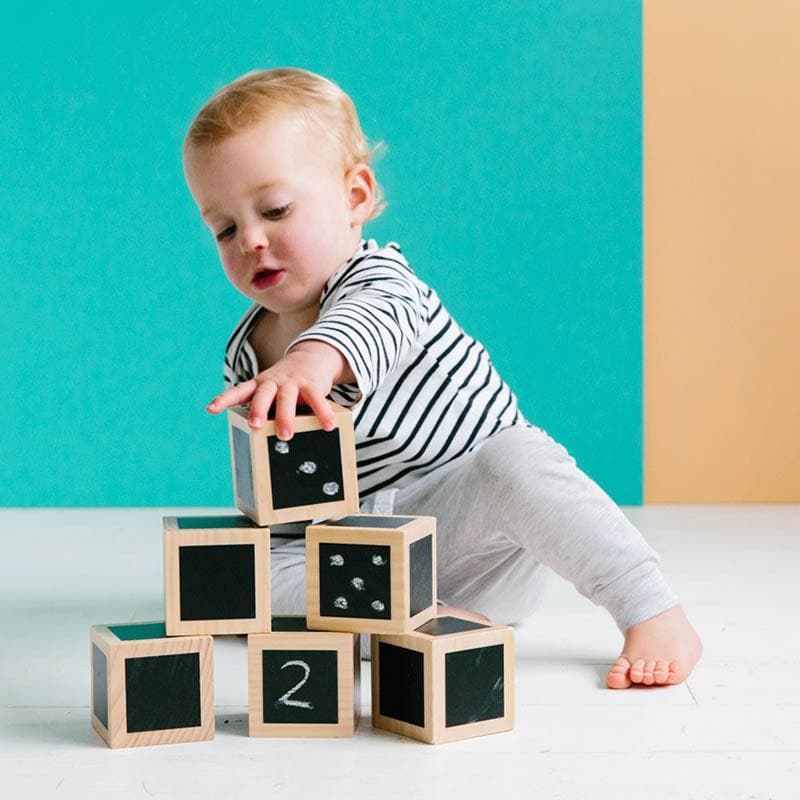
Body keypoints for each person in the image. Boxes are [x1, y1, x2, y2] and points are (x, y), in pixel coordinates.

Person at [182, 67, 702, 689]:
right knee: (232, 572)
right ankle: (411, 619)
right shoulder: (248, 354)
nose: (253, 241)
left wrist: (310, 361)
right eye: (225, 228)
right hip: (360, 552)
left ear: (355, 198)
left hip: (470, 525)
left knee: (517, 460)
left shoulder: (383, 281)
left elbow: (361, 328)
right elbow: (282, 496)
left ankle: (647, 604)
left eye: (275, 210)